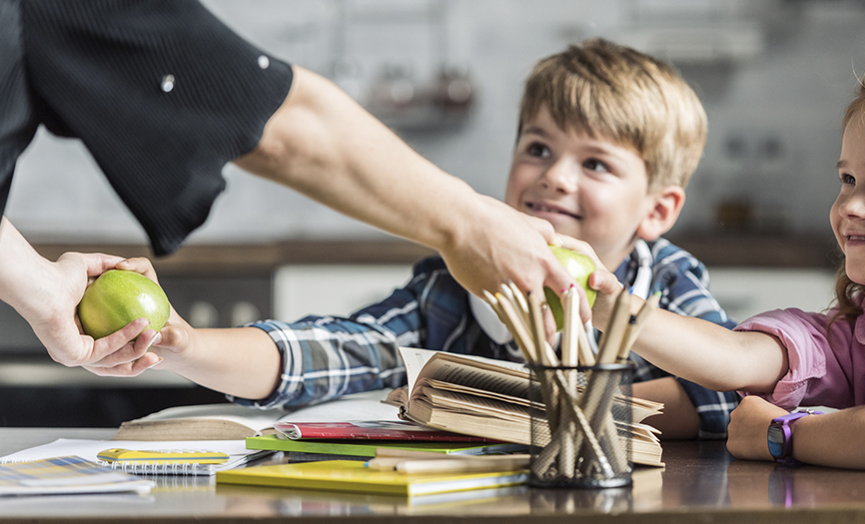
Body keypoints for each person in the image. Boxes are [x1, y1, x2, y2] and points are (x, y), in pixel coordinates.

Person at [98, 38, 740, 439]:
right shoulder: (451, 284)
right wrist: (184, 343)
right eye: (538, 147)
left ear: (658, 210)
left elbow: (720, 394)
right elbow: (333, 352)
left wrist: (536, 409)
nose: (554, 177)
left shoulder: (668, 282)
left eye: (595, 164)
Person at [0, 0, 576, 373]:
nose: (558, 179)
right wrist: (469, 223)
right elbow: (279, 121)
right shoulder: (434, 301)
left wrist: (37, 285)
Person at [586, 43, 865, 519]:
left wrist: (781, 434)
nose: (850, 207)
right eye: (849, 179)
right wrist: (611, 308)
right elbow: (735, 359)